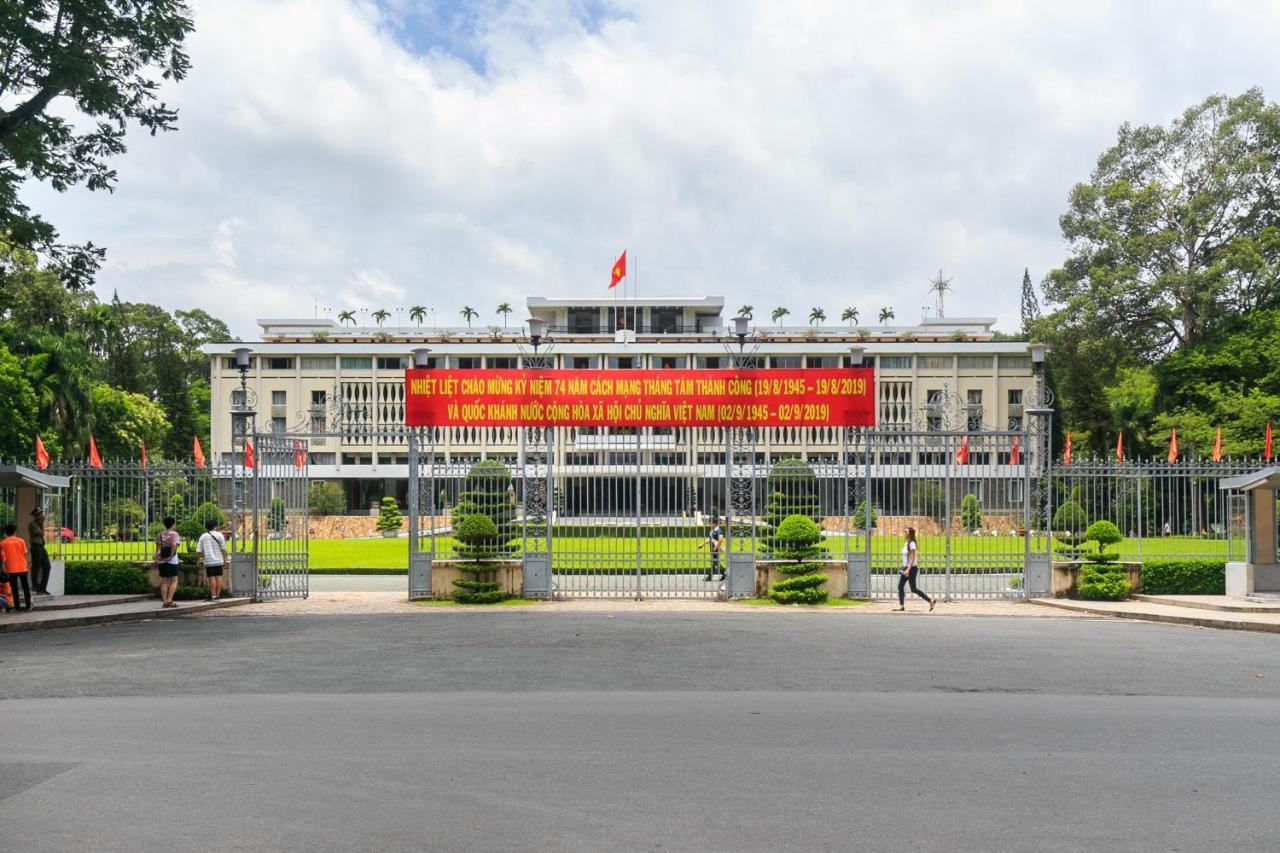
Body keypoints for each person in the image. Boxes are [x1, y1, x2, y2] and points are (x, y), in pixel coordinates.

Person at [894, 526, 935, 612]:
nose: (904, 533)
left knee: (913, 589)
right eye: (905, 531)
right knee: (900, 586)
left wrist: (908, 570)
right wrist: (905, 568)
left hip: (911, 568)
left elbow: (912, 558)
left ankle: (930, 600)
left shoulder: (912, 543)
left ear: (910, 534)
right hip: (906, 568)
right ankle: (901, 606)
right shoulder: (906, 543)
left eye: (906, 532)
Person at [1, 523, 31, 611]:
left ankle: (17, 607)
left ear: (6, 533)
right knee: (25, 587)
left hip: (10, 569)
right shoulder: (21, 541)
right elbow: (25, 554)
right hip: (22, 567)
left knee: (14, 588)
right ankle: (28, 605)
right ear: (15, 532)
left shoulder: (2, 543)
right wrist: (27, 565)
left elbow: (2, 557)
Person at [196, 518, 228, 601]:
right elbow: (223, 549)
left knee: (211, 579)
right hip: (219, 560)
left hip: (209, 561)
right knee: (219, 578)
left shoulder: (203, 536)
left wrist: (199, 559)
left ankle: (213, 596)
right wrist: (224, 560)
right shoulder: (220, 535)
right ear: (215, 526)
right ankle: (217, 596)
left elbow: (199, 550)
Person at [153, 516, 182, 608]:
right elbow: (174, 545)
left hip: (161, 559)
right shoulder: (175, 534)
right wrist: (171, 555)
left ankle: (165, 601)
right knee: (174, 579)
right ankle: (170, 600)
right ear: (173, 524)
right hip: (172, 560)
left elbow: (157, 548)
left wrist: (156, 558)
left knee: (164, 581)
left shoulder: (160, 534)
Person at [28, 507, 52, 596]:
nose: (41, 516)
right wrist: (42, 524)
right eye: (39, 514)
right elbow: (42, 534)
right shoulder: (33, 524)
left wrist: (42, 523)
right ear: (35, 516)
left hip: (41, 546)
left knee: (47, 566)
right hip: (35, 547)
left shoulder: (39, 523)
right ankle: (36, 587)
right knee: (36, 567)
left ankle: (43, 588)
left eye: (41, 513)